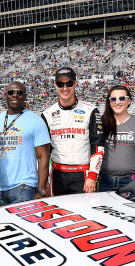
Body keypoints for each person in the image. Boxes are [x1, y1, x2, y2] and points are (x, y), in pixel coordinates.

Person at [41, 67, 104, 195]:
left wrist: (92, 176)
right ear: (55, 85)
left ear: (75, 84)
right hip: (57, 175)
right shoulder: (47, 114)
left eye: (69, 83)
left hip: (83, 175)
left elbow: (97, 146)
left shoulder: (91, 110)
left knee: (84, 213)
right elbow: (45, 152)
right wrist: (44, 178)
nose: (65, 88)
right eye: (60, 84)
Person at [0, 81, 50, 206]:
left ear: (25, 96)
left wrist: (41, 189)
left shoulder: (36, 121)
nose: (15, 95)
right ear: (5, 95)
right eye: (11, 92)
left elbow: (43, 157)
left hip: (25, 187)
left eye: (19, 93)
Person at [98, 85, 135, 191]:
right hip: (104, 181)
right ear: (109, 102)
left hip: (131, 181)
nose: (117, 102)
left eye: (122, 98)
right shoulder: (102, 123)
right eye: (113, 99)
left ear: (129, 101)